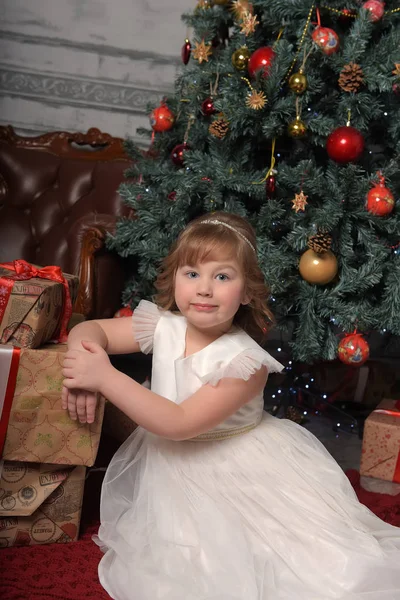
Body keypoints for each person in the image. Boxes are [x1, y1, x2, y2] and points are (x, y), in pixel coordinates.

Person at [62, 212, 400, 600]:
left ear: (246, 292)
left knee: (286, 565)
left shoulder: (245, 363)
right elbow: (89, 329)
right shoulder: (161, 325)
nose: (204, 289)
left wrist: (103, 377)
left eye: (222, 277)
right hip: (171, 461)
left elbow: (179, 422)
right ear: (174, 279)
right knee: (175, 559)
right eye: (191, 274)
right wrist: (81, 367)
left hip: (234, 465)